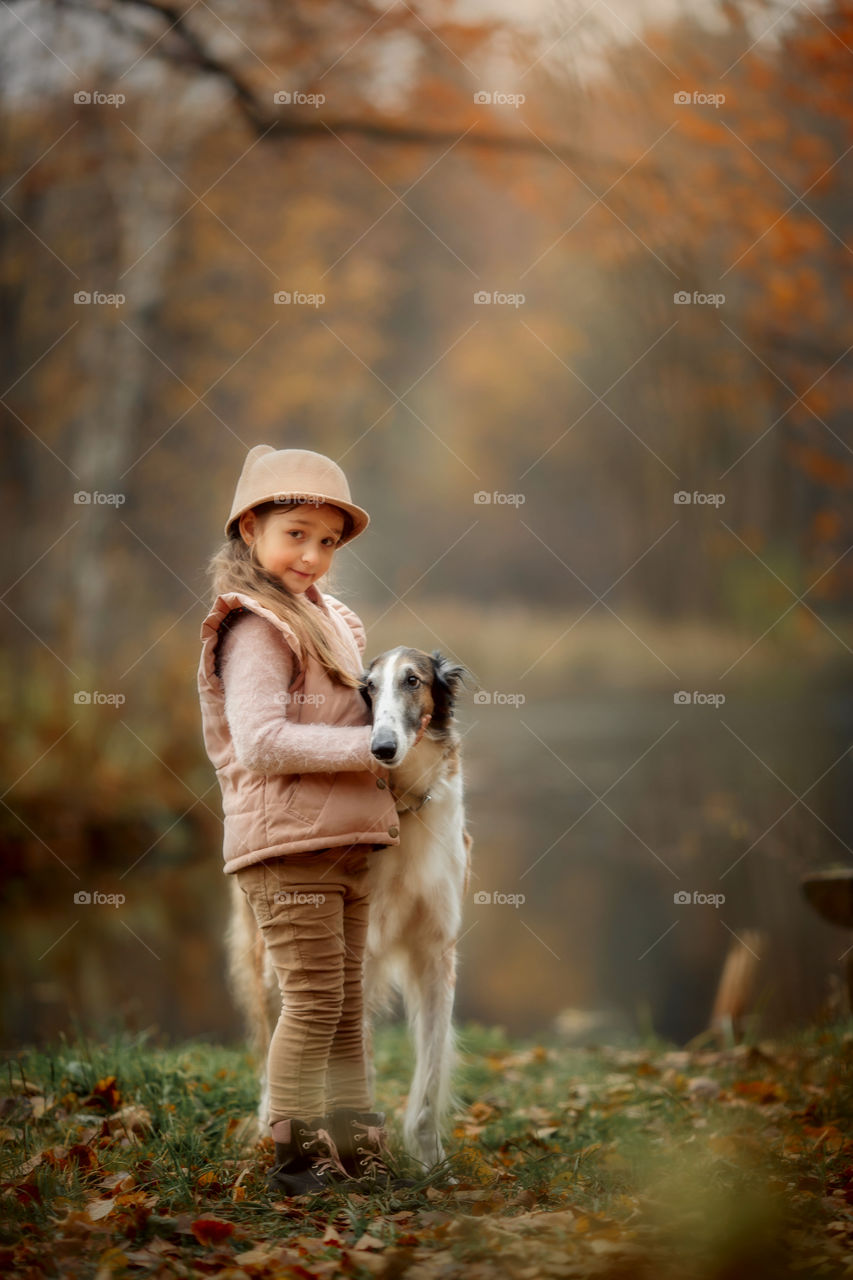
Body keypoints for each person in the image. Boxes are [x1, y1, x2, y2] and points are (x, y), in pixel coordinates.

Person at [197, 445, 424, 1197]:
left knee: (347, 1000)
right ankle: (290, 1159)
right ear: (250, 529)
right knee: (314, 998)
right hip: (286, 846)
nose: (313, 555)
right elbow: (261, 742)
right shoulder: (255, 628)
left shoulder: (325, 619)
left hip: (344, 842)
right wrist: (374, 748)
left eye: (327, 541)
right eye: (295, 533)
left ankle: (354, 1149)